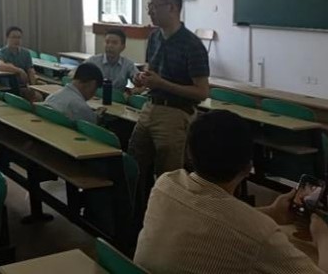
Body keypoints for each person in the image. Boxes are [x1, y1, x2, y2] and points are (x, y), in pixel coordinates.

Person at [134, 110, 328, 273]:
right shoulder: (260, 235)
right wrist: (323, 236)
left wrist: (272, 212)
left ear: (189, 154)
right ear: (248, 168)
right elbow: (233, 225)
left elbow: (212, 219)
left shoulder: (165, 184)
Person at [128, 0, 209, 224]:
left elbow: (201, 92)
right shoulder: (154, 37)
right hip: (150, 107)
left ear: (172, 7)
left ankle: (167, 225)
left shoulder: (192, 45)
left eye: (154, 6)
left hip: (175, 114)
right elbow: (151, 71)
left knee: (167, 177)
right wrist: (142, 79)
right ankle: (137, 221)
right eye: (149, 6)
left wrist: (162, 83)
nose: (149, 11)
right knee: (134, 164)